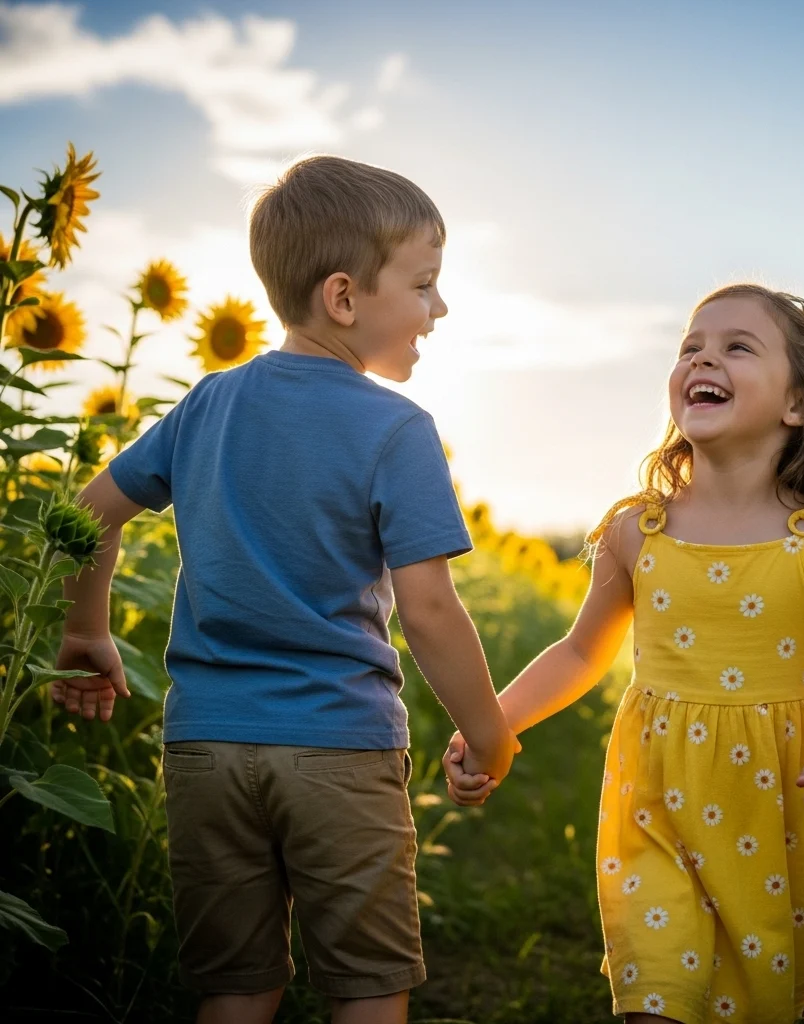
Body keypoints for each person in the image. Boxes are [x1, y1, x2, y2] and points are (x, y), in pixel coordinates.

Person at [50, 155, 517, 1024]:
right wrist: (489, 732)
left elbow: (90, 513)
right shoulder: (398, 428)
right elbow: (428, 608)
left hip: (204, 752)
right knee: (368, 987)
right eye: (424, 285)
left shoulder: (208, 403)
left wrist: (89, 629)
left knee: (235, 987)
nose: (439, 308)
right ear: (344, 299)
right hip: (337, 748)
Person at [445, 283, 804, 1022]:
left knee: (762, 1004)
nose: (703, 357)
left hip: (777, 810)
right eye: (691, 346)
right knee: (654, 997)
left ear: (797, 403)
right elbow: (578, 654)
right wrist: (490, 725)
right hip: (655, 801)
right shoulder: (638, 530)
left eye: (736, 346)